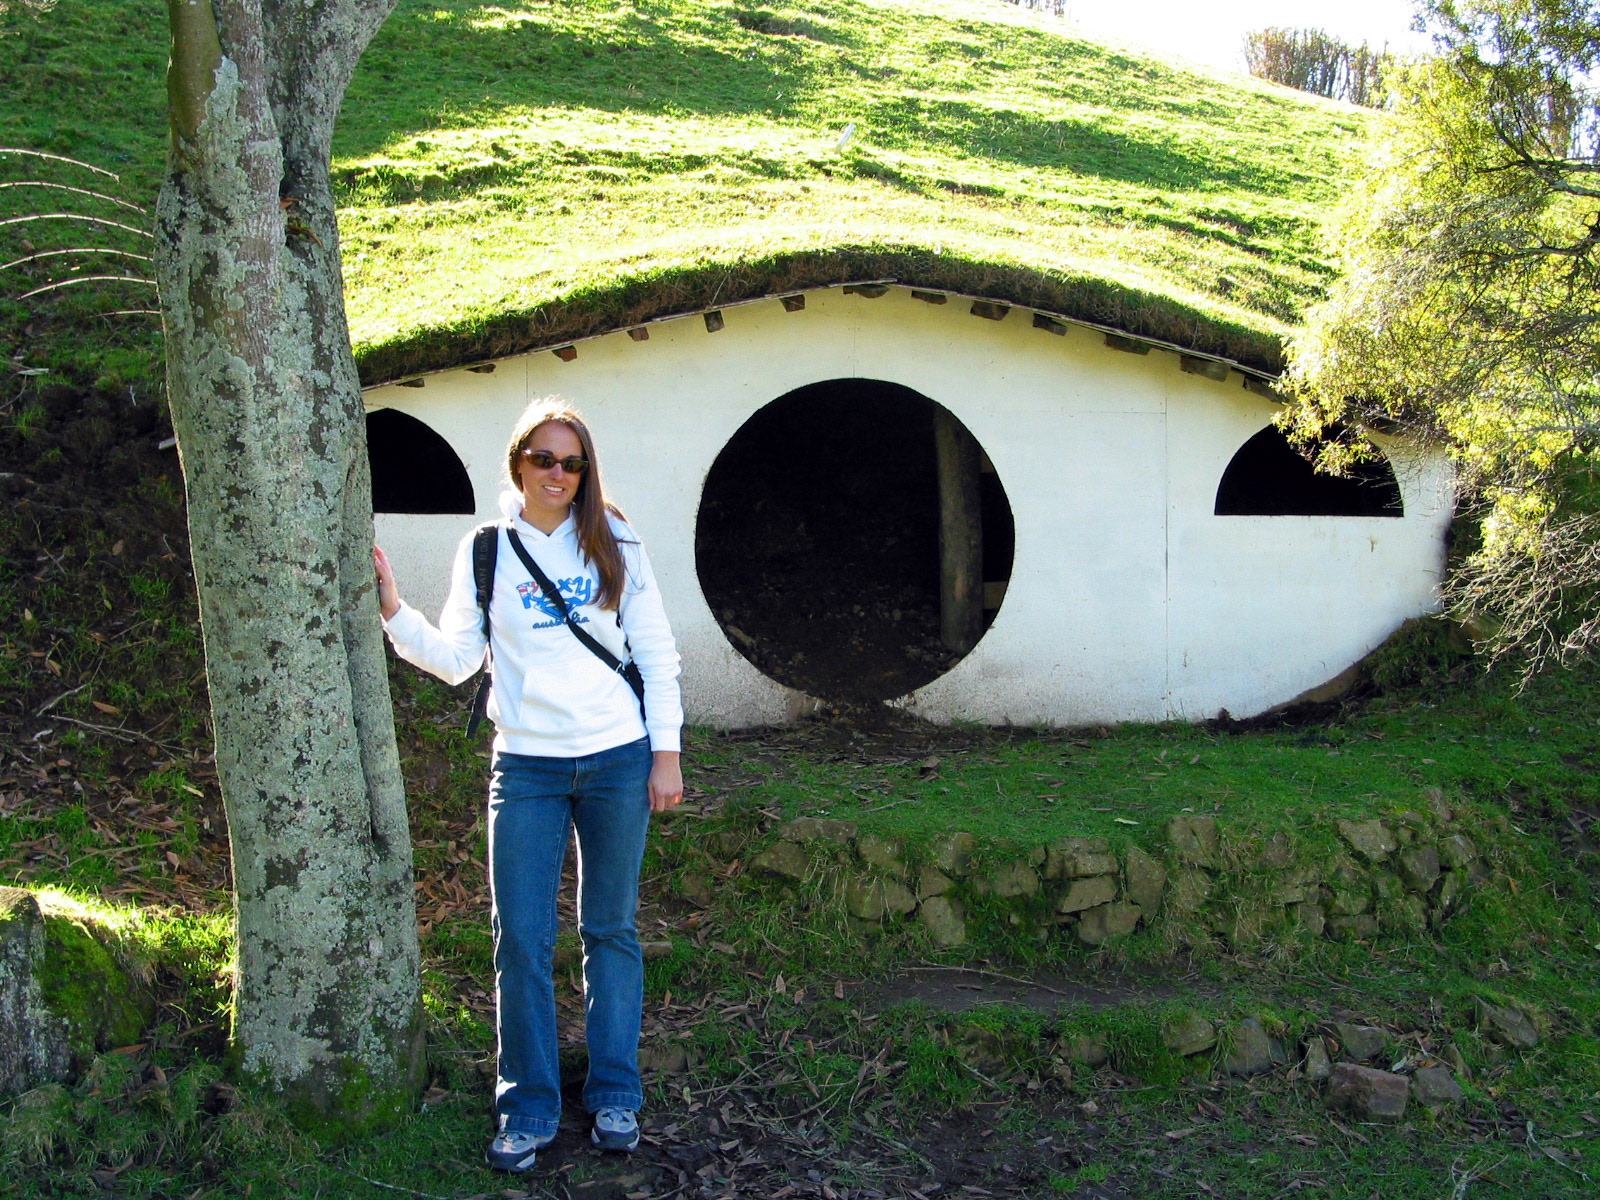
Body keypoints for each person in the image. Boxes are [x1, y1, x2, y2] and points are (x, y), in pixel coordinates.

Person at [374, 398, 683, 1174]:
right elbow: (454, 659)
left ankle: (615, 1092)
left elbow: (657, 652)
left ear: (586, 471)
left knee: (610, 931)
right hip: (527, 768)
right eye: (543, 459)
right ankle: (529, 1105)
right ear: (517, 462)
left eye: (571, 462)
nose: (557, 473)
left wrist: (666, 753)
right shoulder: (486, 550)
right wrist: (392, 612)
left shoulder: (617, 540)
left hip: (617, 757)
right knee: (521, 938)